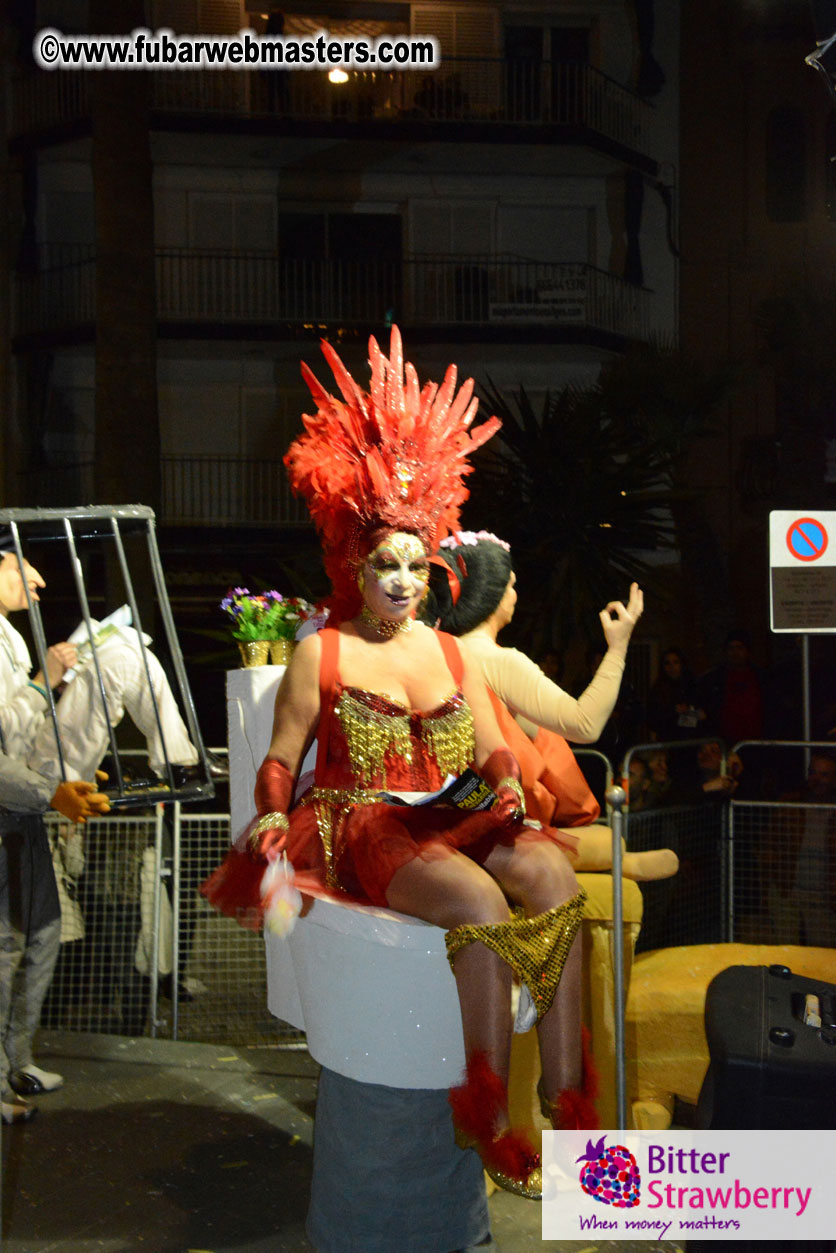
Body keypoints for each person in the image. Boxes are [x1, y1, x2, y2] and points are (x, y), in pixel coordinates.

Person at [204, 328, 595, 1200]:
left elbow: (492, 742)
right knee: (481, 900)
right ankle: (485, 1113)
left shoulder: (450, 652)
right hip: (363, 823)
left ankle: (567, 1099)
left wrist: (502, 780)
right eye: (388, 561)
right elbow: (281, 757)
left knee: (558, 883)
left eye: (418, 563)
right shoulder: (324, 652)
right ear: (355, 559)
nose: (405, 579)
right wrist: (270, 818)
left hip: (451, 814)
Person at [425, 530, 677, 881]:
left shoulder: (430, 653)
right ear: (492, 595)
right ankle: (623, 865)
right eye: (510, 586)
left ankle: (622, 864)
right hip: (494, 820)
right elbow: (584, 725)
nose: (515, 595)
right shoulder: (499, 661)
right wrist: (618, 646)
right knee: (608, 841)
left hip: (440, 812)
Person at [0, 532, 198, 785]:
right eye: (19, 569)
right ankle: (180, 763)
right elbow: (3, 735)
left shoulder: (9, 634)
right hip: (21, 776)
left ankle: (180, 763)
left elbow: (21, 723)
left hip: (34, 758)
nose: (38, 579)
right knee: (123, 659)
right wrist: (42, 683)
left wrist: (59, 692)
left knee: (126, 648)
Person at [0, 751, 109, 1122]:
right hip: (9, 826)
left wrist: (68, 773)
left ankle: (19, 1062)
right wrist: (50, 789)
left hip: (24, 830)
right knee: (4, 956)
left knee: (41, 940)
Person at [646, 647, 705, 742]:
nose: (671, 667)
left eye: (676, 662)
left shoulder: (693, 687)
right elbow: (653, 719)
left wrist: (689, 711)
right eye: (667, 663)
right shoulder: (658, 690)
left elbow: (703, 715)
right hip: (668, 742)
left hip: (693, 741)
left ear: (682, 664)